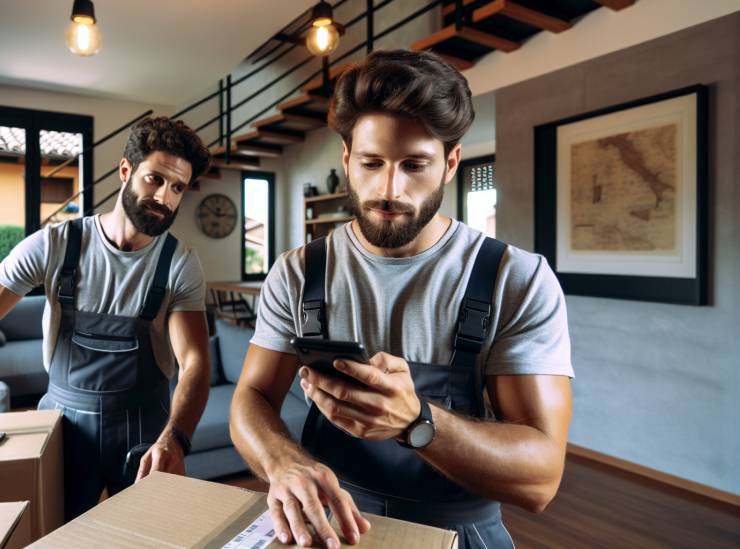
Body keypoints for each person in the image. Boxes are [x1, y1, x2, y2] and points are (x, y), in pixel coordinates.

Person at [230, 50, 573, 549]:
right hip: (329, 525)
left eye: (415, 165)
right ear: (347, 159)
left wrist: (418, 422)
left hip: (458, 534)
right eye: (371, 163)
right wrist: (282, 461)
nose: (389, 189)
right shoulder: (298, 272)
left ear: (451, 163)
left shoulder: (515, 278)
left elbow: (541, 479)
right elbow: (252, 397)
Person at [0, 116, 215, 521]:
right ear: (126, 171)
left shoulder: (180, 264)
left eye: (177, 188)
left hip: (147, 436)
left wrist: (176, 439)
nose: (164, 198)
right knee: (52, 536)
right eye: (155, 179)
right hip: (62, 430)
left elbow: (194, 362)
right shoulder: (55, 245)